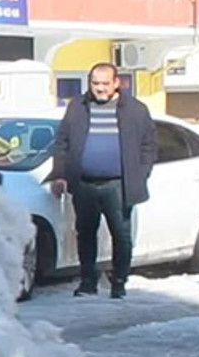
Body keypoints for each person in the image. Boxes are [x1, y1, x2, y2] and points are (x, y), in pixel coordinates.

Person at [46, 63, 157, 299]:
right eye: (95, 83)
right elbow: (62, 142)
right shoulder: (78, 106)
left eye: (105, 83)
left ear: (117, 83)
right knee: (85, 233)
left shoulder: (135, 109)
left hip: (119, 185)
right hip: (84, 183)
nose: (100, 88)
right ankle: (87, 282)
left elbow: (149, 145)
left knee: (121, 235)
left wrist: (141, 172)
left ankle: (119, 282)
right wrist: (59, 174)